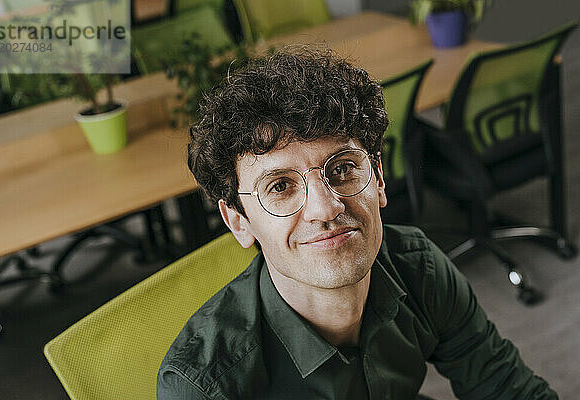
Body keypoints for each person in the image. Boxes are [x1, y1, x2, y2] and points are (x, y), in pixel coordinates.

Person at [157, 46, 557, 399]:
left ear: (379, 179)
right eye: (280, 186)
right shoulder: (204, 386)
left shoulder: (418, 267)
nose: (326, 208)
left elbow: (506, 386)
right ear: (239, 223)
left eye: (343, 168)